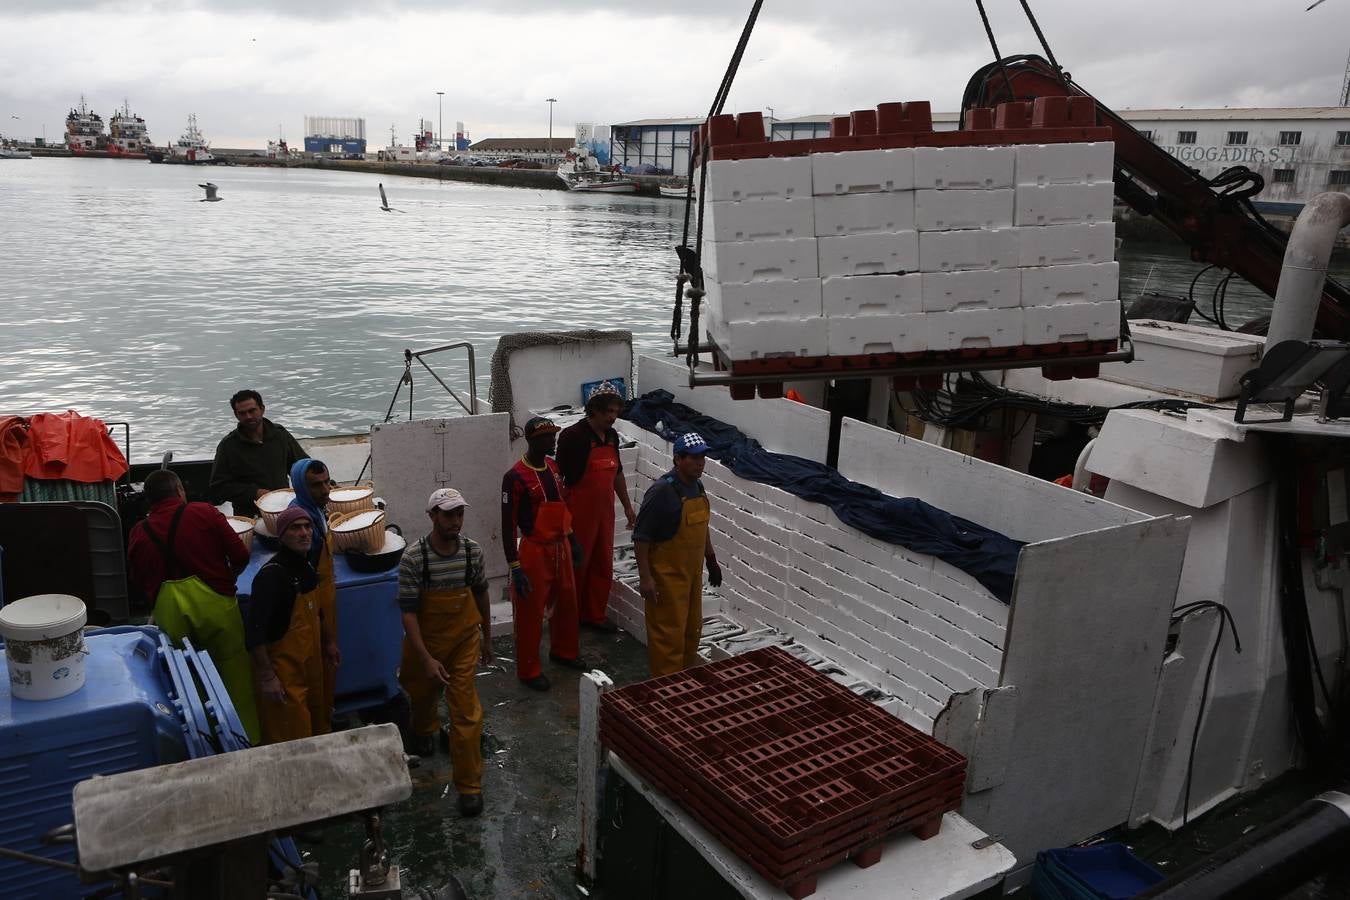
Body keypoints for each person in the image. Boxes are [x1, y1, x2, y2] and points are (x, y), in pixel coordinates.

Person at [128, 469, 261, 744]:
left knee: (189, 679)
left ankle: (205, 743)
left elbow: (137, 580)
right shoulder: (204, 513)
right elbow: (239, 554)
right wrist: (228, 579)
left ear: (150, 501)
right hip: (217, 605)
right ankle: (247, 740)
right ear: (179, 490)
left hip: (170, 614)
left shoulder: (139, 532)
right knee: (235, 674)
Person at [398, 488, 491, 817]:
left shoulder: (472, 552)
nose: (456, 520)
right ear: (432, 516)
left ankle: (470, 786)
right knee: (422, 693)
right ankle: (423, 730)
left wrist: (488, 639)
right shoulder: (414, 558)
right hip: (426, 641)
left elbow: (481, 594)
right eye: (448, 514)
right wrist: (425, 658)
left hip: (464, 641)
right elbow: (408, 613)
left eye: (459, 513)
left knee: (466, 712)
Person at [501, 416, 586, 691]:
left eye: (553, 435)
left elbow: (561, 505)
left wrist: (572, 541)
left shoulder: (553, 466)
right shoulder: (514, 477)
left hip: (560, 545)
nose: (553, 441)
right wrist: (515, 567)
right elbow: (507, 524)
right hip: (534, 550)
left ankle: (564, 652)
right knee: (530, 612)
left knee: (567, 603)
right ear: (532, 440)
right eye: (547, 437)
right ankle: (528, 669)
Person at [633, 432, 723, 677]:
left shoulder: (698, 486)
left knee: (691, 632)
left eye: (703, 457)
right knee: (668, 638)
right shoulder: (662, 492)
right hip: (667, 580)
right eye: (694, 458)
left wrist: (711, 560)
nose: (700, 463)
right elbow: (641, 537)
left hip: (692, 577)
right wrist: (645, 578)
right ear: (678, 459)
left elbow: (702, 527)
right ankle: (664, 693)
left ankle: (682, 685)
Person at [557, 382, 637, 633]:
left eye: (615, 412)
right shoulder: (573, 436)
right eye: (608, 412)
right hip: (578, 511)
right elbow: (560, 478)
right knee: (577, 563)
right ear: (594, 411)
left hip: (605, 511)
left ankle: (594, 615)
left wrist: (627, 506)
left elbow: (617, 473)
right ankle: (570, 617)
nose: (613, 417)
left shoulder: (612, 437)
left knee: (602, 562)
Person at [245, 506, 327, 744]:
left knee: (317, 729)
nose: (304, 533)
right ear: (282, 535)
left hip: (311, 668)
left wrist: (329, 644)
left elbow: (318, 613)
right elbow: (254, 633)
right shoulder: (271, 576)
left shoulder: (307, 569)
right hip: (283, 676)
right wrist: (268, 676)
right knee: (292, 739)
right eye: (295, 528)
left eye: (307, 526)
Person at [288, 458, 340, 734]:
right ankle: (320, 729)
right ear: (300, 487)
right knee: (317, 671)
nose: (325, 490)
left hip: (325, 596)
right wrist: (325, 632)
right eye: (316, 486)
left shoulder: (317, 510)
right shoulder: (303, 523)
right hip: (311, 606)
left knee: (327, 667)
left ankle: (326, 716)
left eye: (326, 482)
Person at [209, 390, 308, 517]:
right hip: (250, 514)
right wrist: (254, 492)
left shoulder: (280, 435)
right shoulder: (228, 446)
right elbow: (218, 486)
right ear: (236, 415)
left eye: (252, 410)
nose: (248, 416)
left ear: (262, 409)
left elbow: (302, 466)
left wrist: (327, 483)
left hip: (284, 508)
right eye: (242, 413)